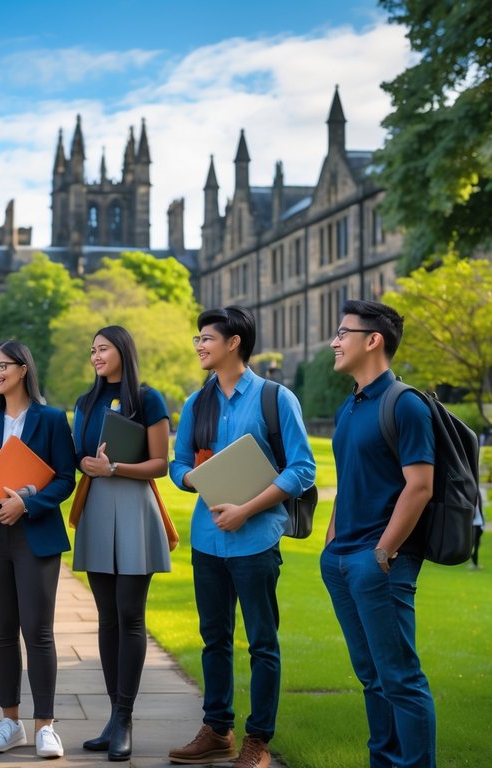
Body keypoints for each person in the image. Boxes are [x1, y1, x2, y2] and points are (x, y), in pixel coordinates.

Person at [168, 306, 315, 768]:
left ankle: (258, 740)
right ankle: (217, 730)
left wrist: (247, 508)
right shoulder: (196, 403)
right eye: (197, 338)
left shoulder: (276, 398)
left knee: (261, 642)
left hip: (255, 541)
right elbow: (177, 465)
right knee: (213, 638)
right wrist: (196, 479)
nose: (199, 345)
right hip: (208, 542)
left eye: (207, 338)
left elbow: (303, 468)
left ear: (234, 343)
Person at [320, 299, 437, 768]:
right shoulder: (351, 406)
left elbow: (421, 486)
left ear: (373, 341)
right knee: (371, 677)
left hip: (380, 564)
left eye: (343, 333)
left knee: (400, 678)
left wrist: (382, 553)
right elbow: (348, 480)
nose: (334, 341)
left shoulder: (405, 404)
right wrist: (331, 548)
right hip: (343, 562)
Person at [0, 340, 77, 759]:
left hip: (35, 535)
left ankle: (45, 726)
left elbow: (66, 478)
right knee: (1, 633)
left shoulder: (50, 419)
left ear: (23, 369)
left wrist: (27, 502)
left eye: (2, 367)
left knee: (38, 631)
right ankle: (10, 721)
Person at [71, 326, 171, 762]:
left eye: (103, 349)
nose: (95, 356)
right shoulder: (85, 402)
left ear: (122, 352)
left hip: (134, 509)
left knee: (130, 615)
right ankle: (112, 718)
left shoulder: (148, 399)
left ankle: (126, 719)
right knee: (107, 619)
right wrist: (89, 464)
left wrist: (115, 469)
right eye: (92, 349)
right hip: (95, 510)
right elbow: (78, 454)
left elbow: (160, 464)